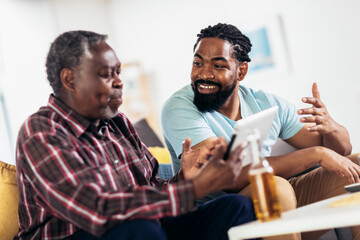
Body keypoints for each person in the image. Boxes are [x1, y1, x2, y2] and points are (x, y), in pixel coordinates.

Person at [14, 30, 256, 240]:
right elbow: (97, 210)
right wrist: (191, 190)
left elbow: (150, 186)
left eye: (118, 72)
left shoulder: (117, 122)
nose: (120, 82)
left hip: (143, 228)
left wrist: (184, 178)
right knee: (141, 229)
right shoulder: (42, 131)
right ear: (70, 79)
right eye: (107, 74)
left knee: (236, 207)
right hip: (80, 234)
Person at [161, 23, 360, 240]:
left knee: (357, 164)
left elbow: (339, 152)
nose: (203, 74)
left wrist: (331, 128)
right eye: (198, 63)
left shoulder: (264, 102)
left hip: (274, 199)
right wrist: (316, 154)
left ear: (242, 71)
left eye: (218, 66)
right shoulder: (180, 107)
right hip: (221, 212)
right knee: (274, 187)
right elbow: (228, 176)